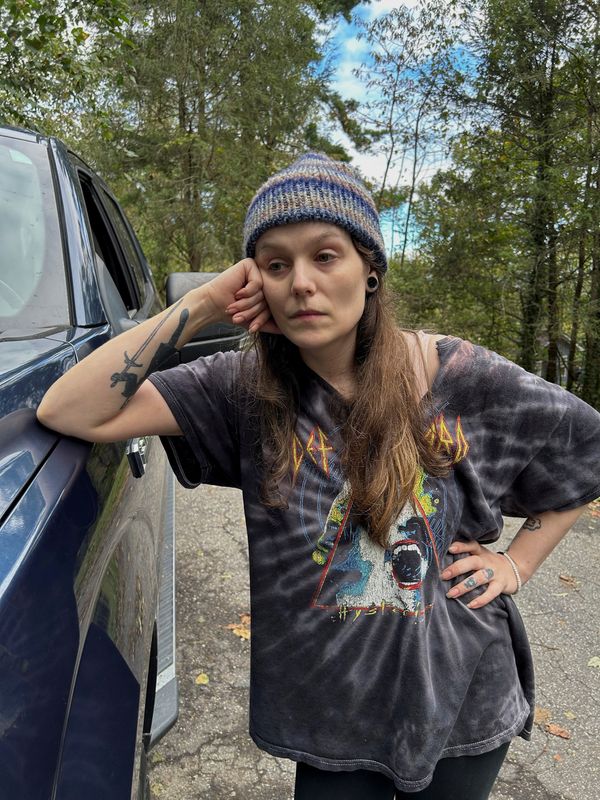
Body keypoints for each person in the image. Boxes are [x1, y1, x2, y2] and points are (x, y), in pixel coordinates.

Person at [37, 153, 600, 799]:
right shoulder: (244, 389)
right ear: (257, 282)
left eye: (325, 256)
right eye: (276, 264)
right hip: (332, 719)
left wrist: (518, 565)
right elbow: (67, 408)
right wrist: (201, 305)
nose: (301, 282)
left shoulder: (466, 377)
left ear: (370, 270)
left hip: (462, 700)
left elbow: (583, 453)